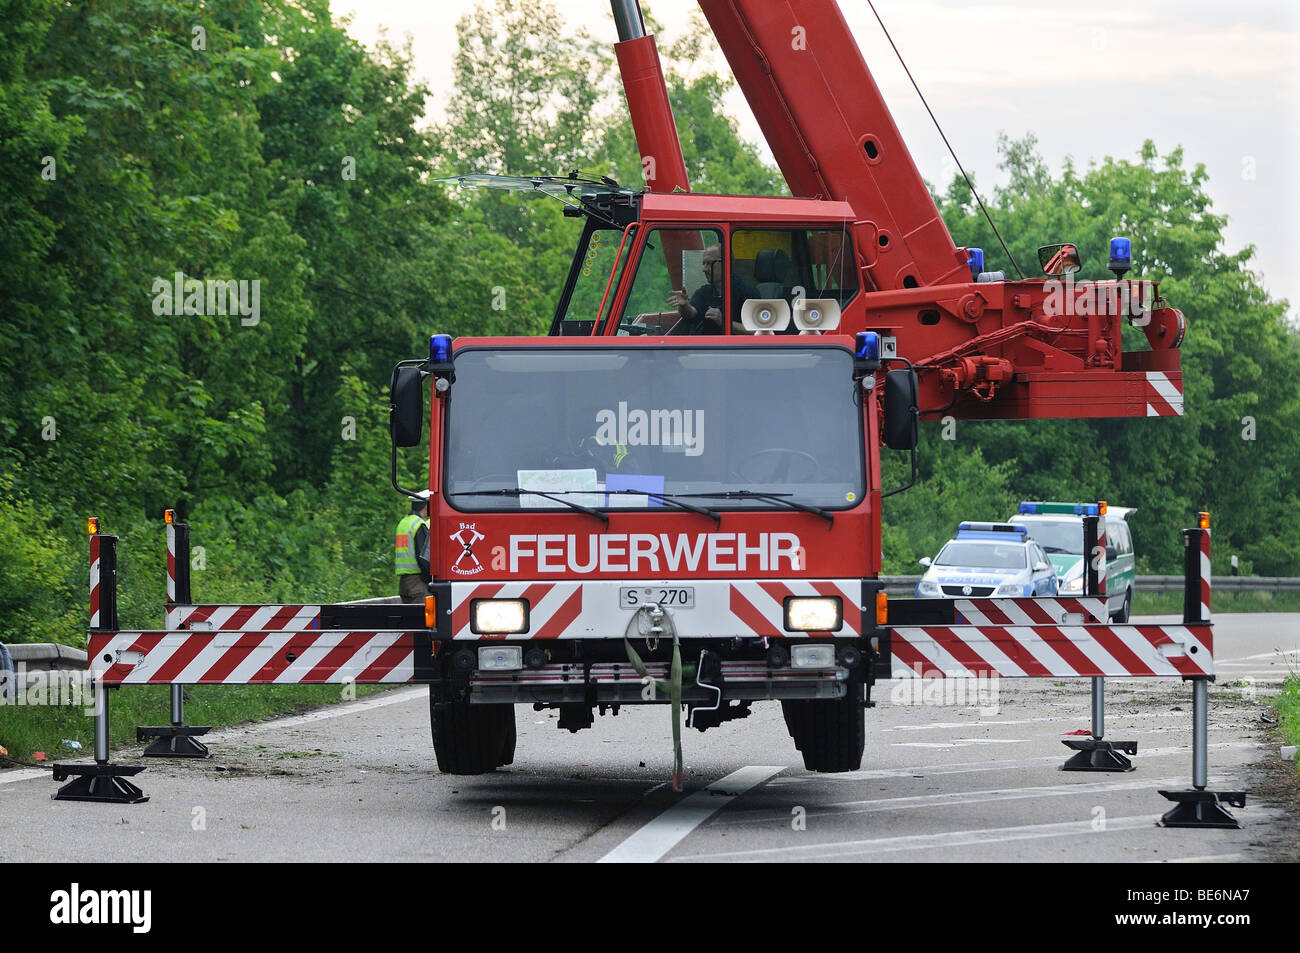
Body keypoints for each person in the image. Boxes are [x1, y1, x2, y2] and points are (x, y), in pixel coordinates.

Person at [666, 244, 759, 334]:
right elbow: (692, 313)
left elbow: (757, 332)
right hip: (707, 346)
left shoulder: (748, 292)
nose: (704, 269)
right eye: (703, 264)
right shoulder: (704, 291)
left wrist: (724, 322)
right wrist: (684, 305)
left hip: (735, 348)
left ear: (727, 263)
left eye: (709, 263)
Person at [395, 491, 431, 603]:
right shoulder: (419, 525)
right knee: (422, 619)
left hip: (404, 583)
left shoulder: (403, 523)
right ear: (426, 505)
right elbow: (423, 557)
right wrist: (430, 579)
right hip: (417, 583)